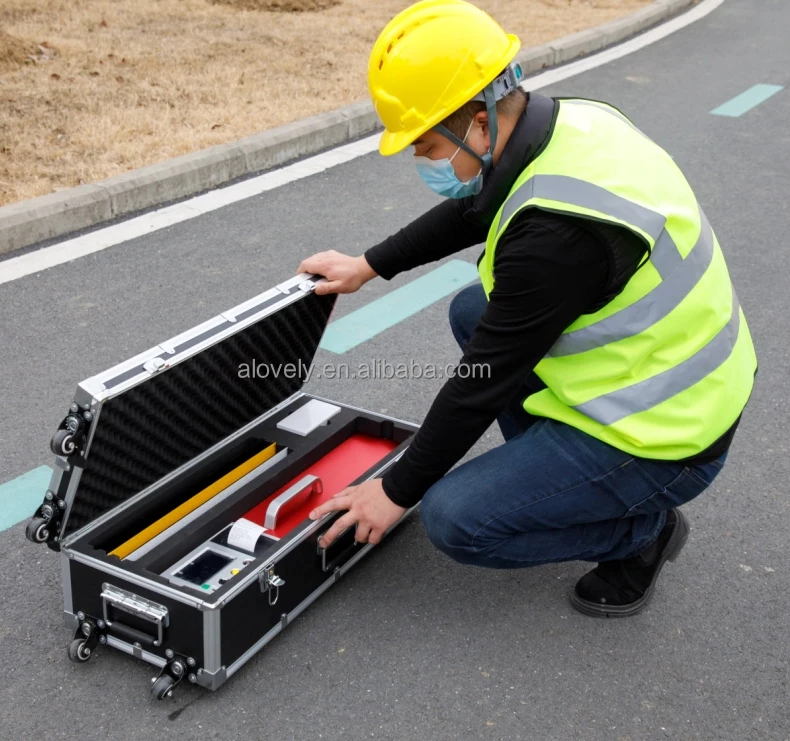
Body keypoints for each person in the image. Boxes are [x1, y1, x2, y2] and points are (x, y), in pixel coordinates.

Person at [302, 0, 757, 617]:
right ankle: (566, 479)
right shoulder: (570, 124)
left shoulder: (555, 239)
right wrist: (370, 264)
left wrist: (395, 490)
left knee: (454, 519)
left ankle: (643, 534)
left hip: (666, 437)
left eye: (428, 145)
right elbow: (477, 207)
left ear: (480, 123)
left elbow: (483, 380)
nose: (421, 162)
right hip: (665, 382)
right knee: (473, 308)